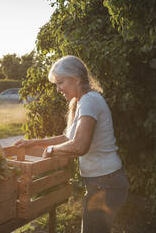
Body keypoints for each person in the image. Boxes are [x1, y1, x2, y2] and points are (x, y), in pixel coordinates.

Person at [15, 55, 129, 233]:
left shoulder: (89, 101)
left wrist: (51, 150)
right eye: (56, 84)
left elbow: (79, 146)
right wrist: (32, 142)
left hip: (105, 183)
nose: (58, 89)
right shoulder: (84, 101)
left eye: (60, 82)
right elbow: (67, 139)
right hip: (104, 181)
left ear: (75, 79)